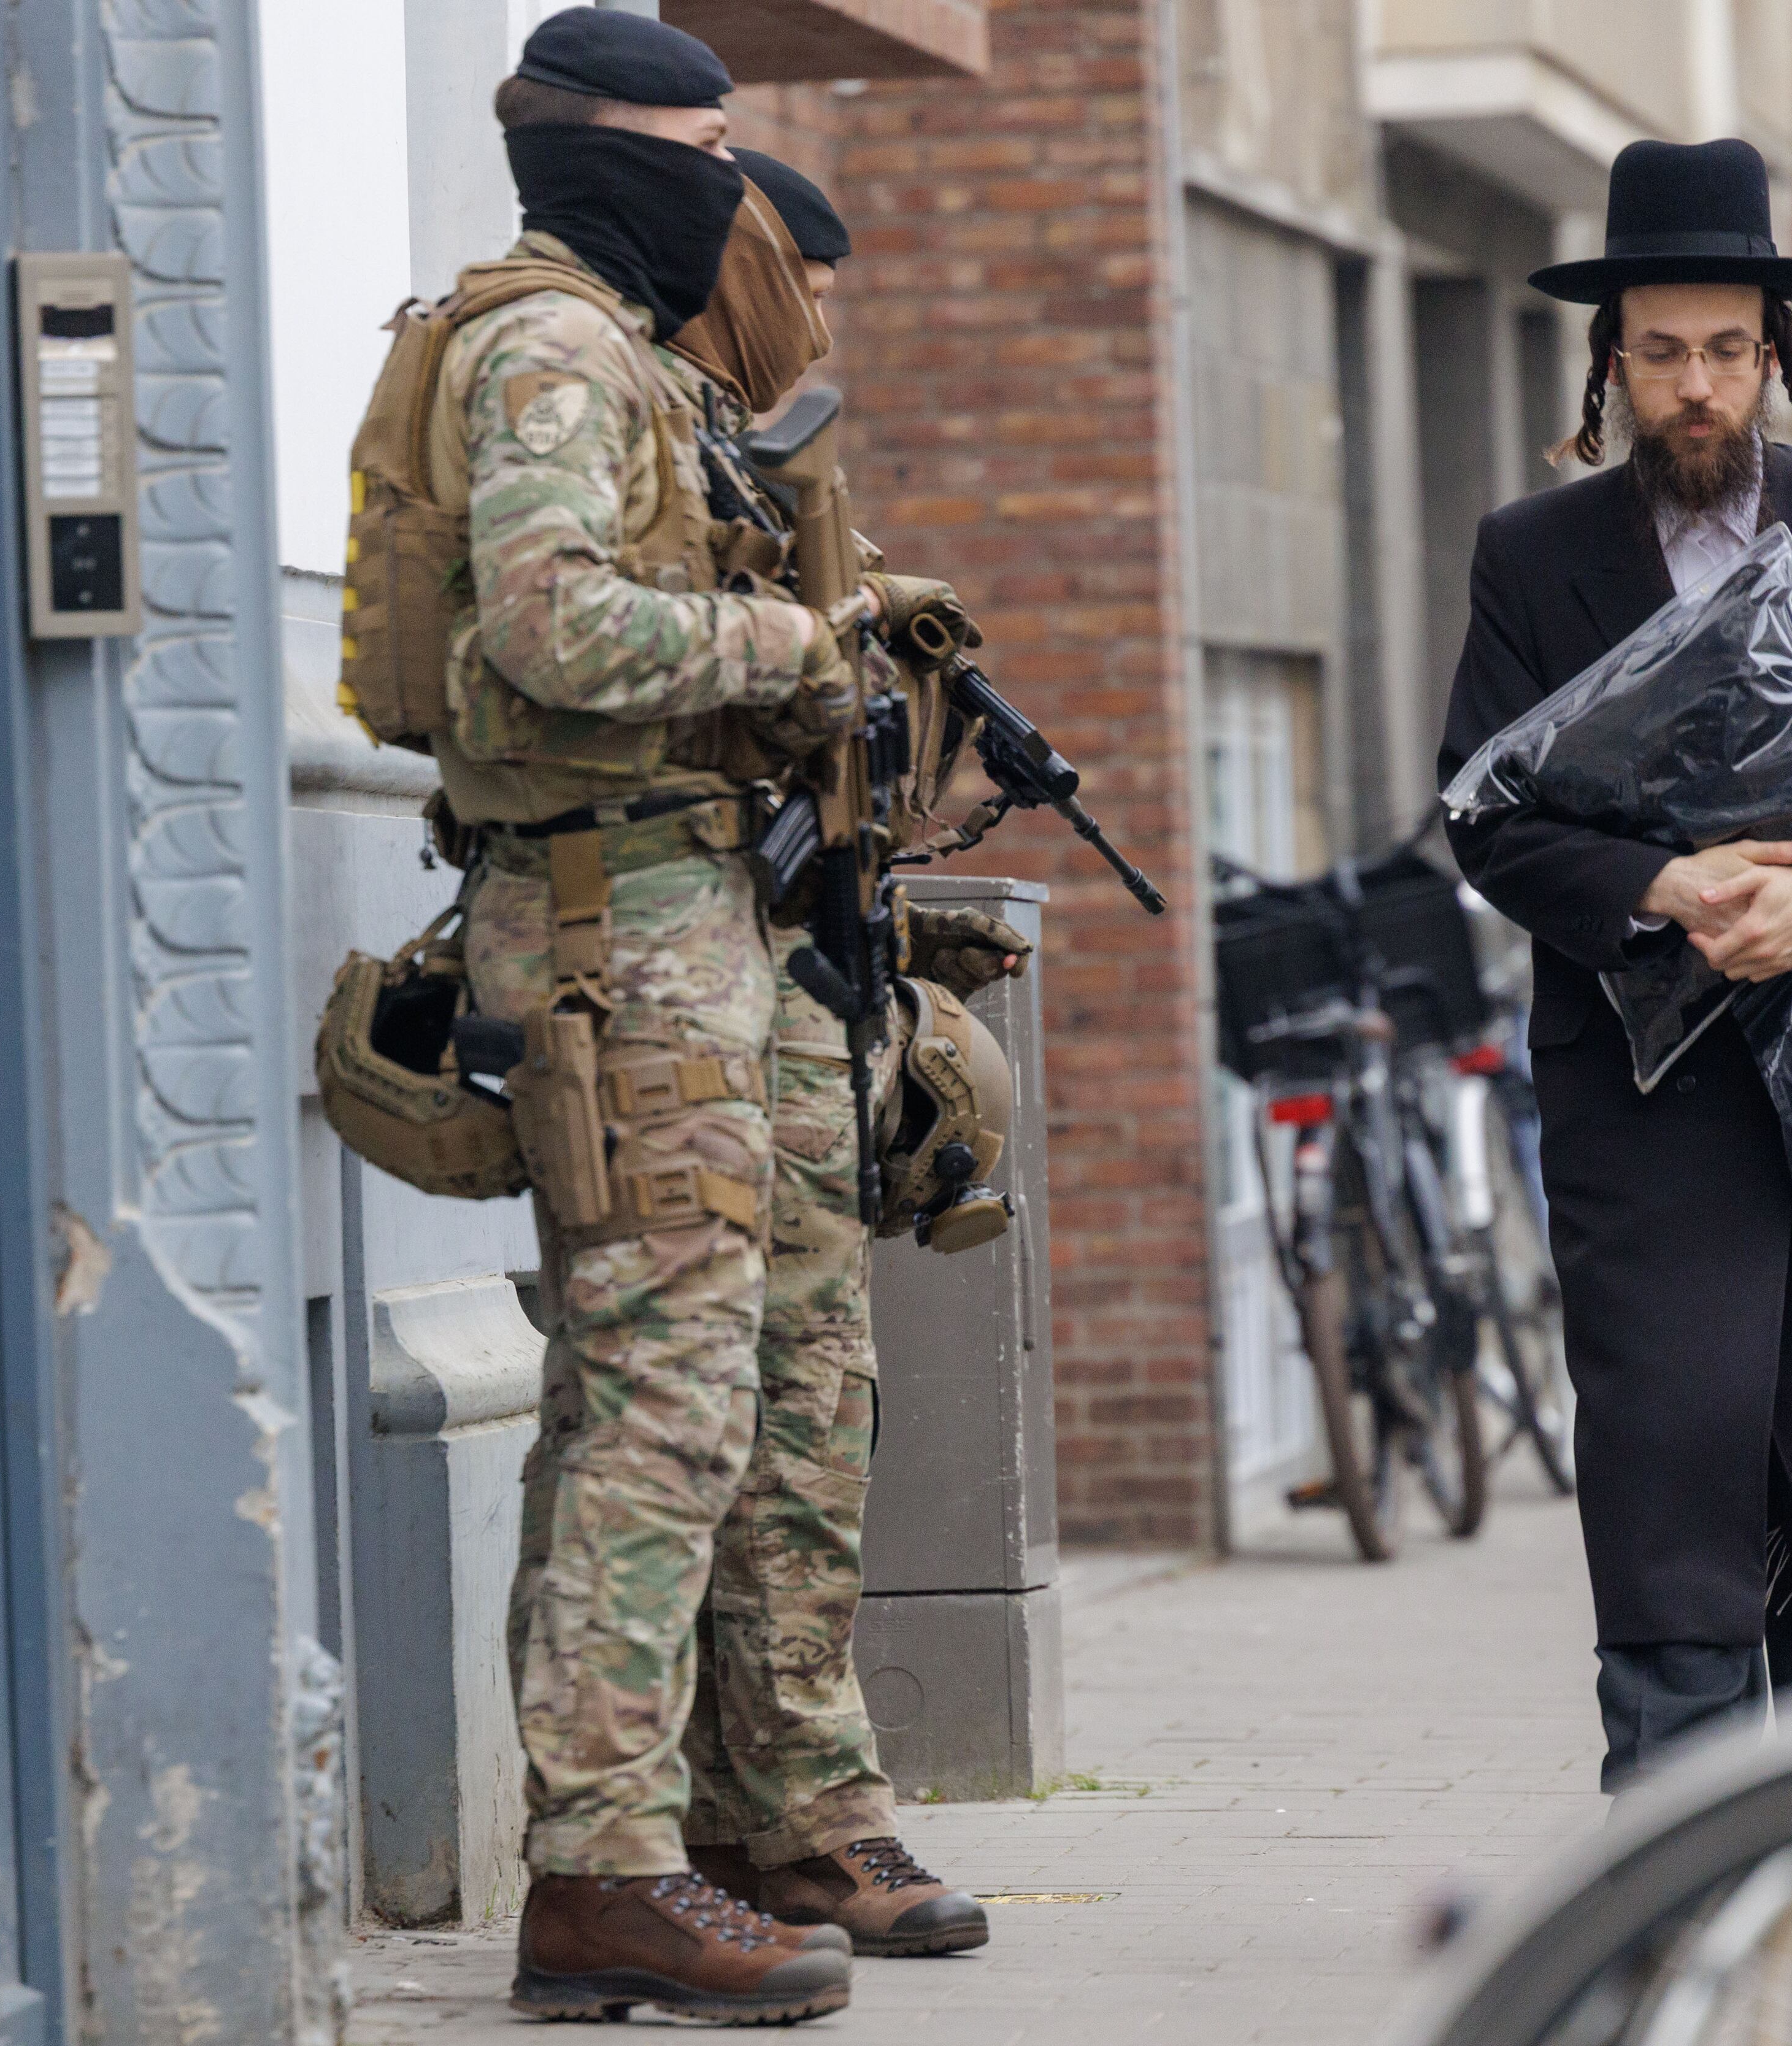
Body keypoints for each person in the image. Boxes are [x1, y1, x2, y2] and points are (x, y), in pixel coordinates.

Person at [1436, 137, 1792, 1792]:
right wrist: (1662, 882)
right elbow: (1487, 812)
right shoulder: (1532, 552)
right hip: (1649, 1088)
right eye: (1662, 352)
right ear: (1609, 360)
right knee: (1669, 1440)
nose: (1696, 388)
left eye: (1724, 350)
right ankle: (1679, 1838)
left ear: (1777, 354)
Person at [439, 9, 858, 2021]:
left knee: (673, 1393)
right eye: (709, 150)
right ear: (617, 152)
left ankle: (641, 1847)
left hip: (670, 908)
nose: (731, 187)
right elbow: (545, 620)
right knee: (661, 1410)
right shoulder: (550, 347)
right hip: (613, 924)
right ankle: (603, 1869)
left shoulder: (608, 345)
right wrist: (783, 643)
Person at [661, 147, 1017, 1958]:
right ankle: (796, 1811)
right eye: (807, 275)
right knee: (773, 1414)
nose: (830, 314)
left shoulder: (765, 451)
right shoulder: (663, 439)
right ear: (743, 270)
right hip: (700, 986)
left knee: (814, 1398)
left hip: (802, 977)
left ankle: (784, 1807)